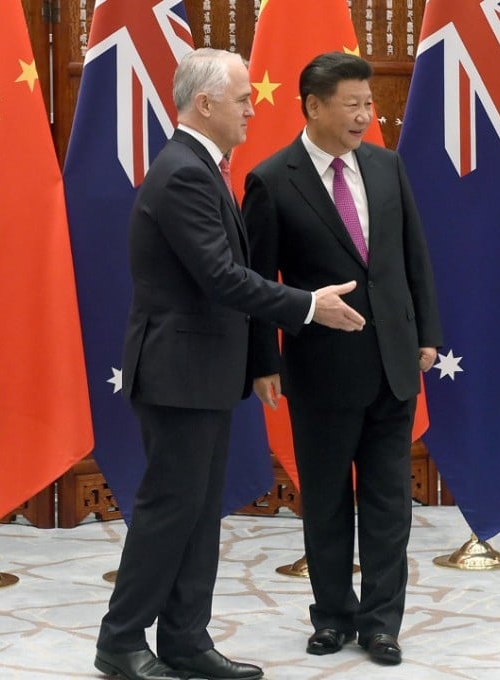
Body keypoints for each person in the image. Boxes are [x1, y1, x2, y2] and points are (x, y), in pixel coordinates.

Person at [94, 48, 366, 680]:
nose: (253, 107)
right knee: (170, 511)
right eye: (243, 98)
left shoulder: (202, 166)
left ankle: (186, 639)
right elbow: (221, 277)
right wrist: (306, 306)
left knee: (195, 512)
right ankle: (121, 640)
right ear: (206, 103)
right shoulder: (184, 172)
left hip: (201, 374)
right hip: (177, 374)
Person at [241, 52, 442, 667]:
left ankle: (382, 623)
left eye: (368, 103)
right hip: (321, 370)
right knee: (326, 501)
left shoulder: (387, 167)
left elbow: (414, 258)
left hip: (392, 364)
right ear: (313, 106)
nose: (364, 115)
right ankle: (332, 616)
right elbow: (256, 282)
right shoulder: (272, 180)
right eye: (352, 104)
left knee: (389, 503)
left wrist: (426, 333)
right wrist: (262, 362)